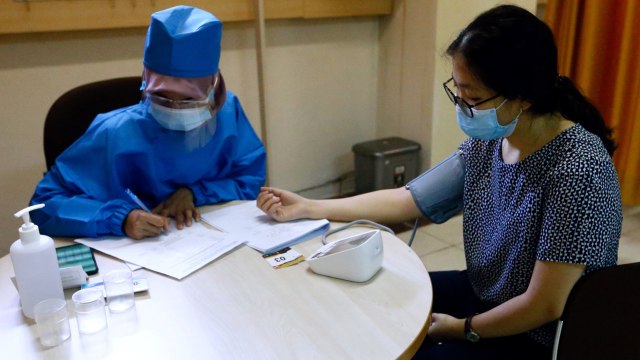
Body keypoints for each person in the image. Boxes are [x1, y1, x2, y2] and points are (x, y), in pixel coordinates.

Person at [257, 5, 621, 359]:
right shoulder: (489, 143)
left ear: (524, 96)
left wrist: (461, 328)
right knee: (370, 304)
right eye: (457, 92)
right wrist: (308, 206)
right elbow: (408, 199)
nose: (462, 107)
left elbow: (545, 304)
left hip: (536, 335)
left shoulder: (578, 169)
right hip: (482, 292)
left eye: (473, 97)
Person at [31, 6, 266, 240]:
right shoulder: (115, 132)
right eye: (162, 98)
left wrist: (193, 193)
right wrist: (119, 219)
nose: (175, 109)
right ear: (146, 85)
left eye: (189, 100)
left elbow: (249, 178)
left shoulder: (227, 114)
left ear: (214, 88)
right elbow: (43, 205)